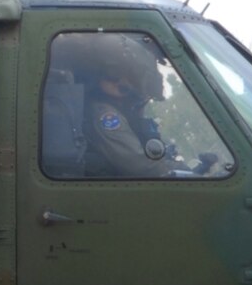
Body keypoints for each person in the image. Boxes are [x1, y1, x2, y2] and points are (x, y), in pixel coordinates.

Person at [68, 33, 174, 179]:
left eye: (129, 76)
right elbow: (139, 165)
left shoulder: (120, 109)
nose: (121, 81)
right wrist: (169, 170)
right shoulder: (105, 113)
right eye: (112, 74)